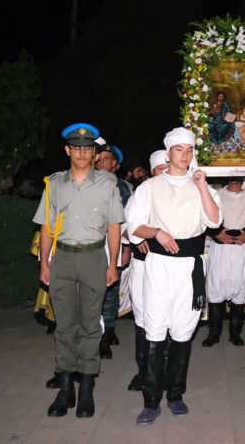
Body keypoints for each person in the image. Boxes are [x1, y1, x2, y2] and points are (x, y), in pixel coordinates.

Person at [126, 127, 222, 425]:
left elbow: (215, 220)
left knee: (183, 332)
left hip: (190, 267)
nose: (185, 155)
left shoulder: (201, 186)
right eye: (179, 149)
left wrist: (202, 186)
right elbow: (134, 226)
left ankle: (176, 394)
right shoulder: (150, 187)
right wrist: (156, 232)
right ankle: (151, 401)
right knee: (155, 330)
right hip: (159, 266)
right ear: (168, 153)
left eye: (189, 150)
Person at [33, 123, 125, 418]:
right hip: (62, 259)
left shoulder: (108, 184)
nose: (82, 153)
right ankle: (65, 390)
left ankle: (86, 389)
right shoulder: (54, 184)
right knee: (64, 326)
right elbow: (46, 227)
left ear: (94, 153)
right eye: (77, 148)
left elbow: (114, 226)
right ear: (67, 150)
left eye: (87, 149)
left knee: (89, 326)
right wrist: (44, 263)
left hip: (94, 257)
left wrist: (113, 264)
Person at [126, 149, 168, 392]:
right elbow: (124, 227)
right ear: (152, 172)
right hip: (143, 265)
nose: (165, 173)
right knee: (143, 319)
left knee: (169, 318)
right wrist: (135, 236)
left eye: (168, 168)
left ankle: (165, 371)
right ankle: (143, 372)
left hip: (170, 266)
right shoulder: (141, 194)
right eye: (160, 169)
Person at [203, 179, 245, 347]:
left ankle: (235, 333)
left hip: (240, 249)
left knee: (239, 289)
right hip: (220, 248)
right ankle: (214, 333)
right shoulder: (216, 194)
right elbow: (204, 216)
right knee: (215, 288)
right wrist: (215, 233)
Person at [95, 143, 134, 359]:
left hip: (115, 246)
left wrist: (126, 249)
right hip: (90, 247)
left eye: (107, 158)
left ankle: (107, 333)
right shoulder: (86, 182)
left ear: (116, 165)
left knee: (110, 292)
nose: (102, 162)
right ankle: (97, 332)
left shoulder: (125, 189)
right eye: (99, 157)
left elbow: (129, 221)